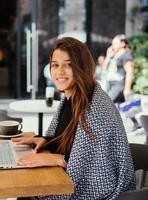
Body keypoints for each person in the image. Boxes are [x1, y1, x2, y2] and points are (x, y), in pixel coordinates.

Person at [13, 37, 135, 199]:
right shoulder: (72, 98)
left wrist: (59, 159)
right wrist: (47, 140)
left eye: (68, 65)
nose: (59, 72)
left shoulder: (95, 109)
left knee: (24, 188)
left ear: (82, 68)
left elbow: (98, 171)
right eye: (55, 65)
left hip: (98, 194)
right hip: (64, 178)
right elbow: (73, 141)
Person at [103, 34, 141, 131]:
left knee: (106, 103)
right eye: (112, 43)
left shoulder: (126, 55)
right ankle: (136, 123)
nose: (113, 45)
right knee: (125, 105)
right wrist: (108, 56)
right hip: (112, 84)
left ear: (123, 43)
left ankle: (106, 127)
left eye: (115, 43)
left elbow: (129, 72)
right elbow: (104, 68)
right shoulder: (114, 55)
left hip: (119, 84)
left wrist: (127, 88)